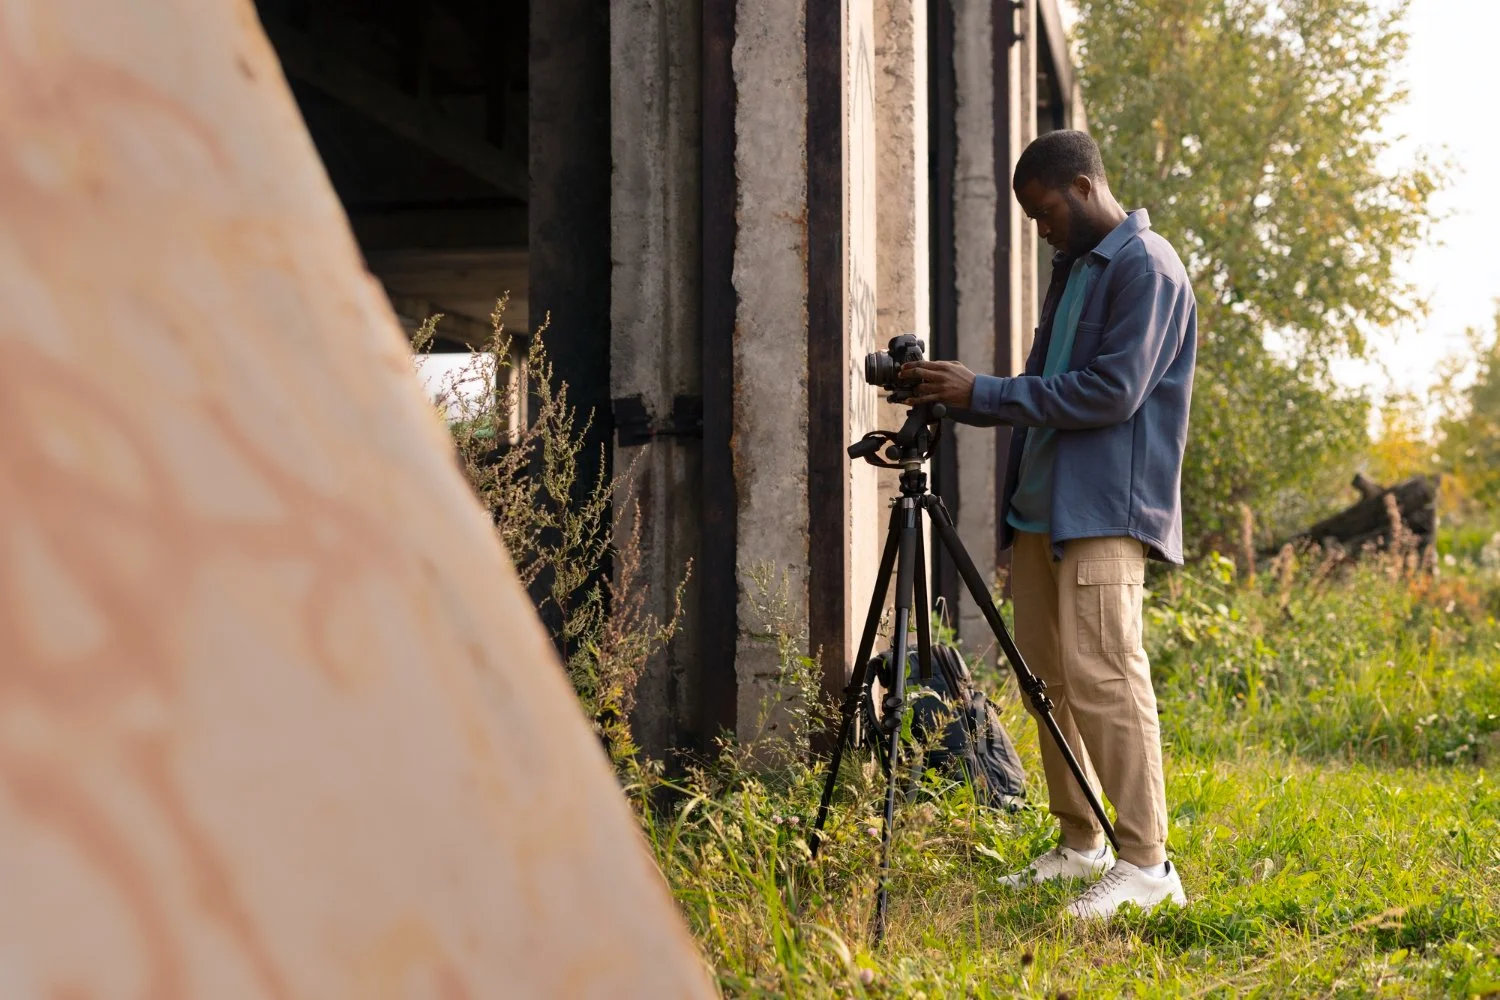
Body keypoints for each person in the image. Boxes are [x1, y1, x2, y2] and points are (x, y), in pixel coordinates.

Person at [900, 129, 1197, 919]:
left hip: (1102, 511)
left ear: (1083, 186)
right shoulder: (1074, 272)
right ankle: (1081, 846)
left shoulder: (1147, 266)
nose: (1041, 230)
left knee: (1106, 677)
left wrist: (986, 392)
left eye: (1044, 212)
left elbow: (1111, 394)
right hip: (1042, 508)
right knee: (1050, 684)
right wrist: (958, 397)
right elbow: (1041, 386)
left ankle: (1147, 866)